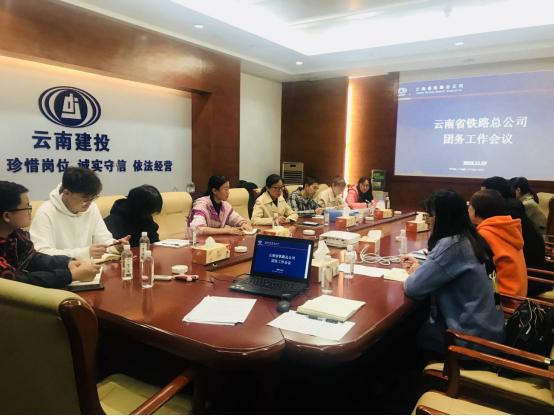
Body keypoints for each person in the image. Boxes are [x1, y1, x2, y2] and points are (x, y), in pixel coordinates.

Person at [401, 189, 505, 356]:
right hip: (490, 335)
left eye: (429, 216)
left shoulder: (452, 245)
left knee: (401, 338)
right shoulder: (473, 238)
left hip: (468, 343)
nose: (426, 221)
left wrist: (415, 272)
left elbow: (413, 287)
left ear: (444, 218)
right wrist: (423, 268)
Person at [0, 181, 100, 288]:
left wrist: (67, 263)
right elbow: (17, 281)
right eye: (27, 207)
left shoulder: (15, 234)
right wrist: (72, 275)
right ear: (7, 216)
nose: (30, 211)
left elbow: (33, 259)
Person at [30, 167, 130, 260]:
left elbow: (103, 238)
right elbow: (41, 253)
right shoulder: (46, 212)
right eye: (84, 198)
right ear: (66, 193)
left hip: (92, 266)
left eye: (92, 198)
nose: (89, 203)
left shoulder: (92, 208)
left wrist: (115, 246)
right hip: (62, 270)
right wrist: (83, 253)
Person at [469, 189, 527, 303]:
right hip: (518, 297)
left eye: (470, 206)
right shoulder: (505, 228)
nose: (468, 210)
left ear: (478, 209)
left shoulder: (484, 235)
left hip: (502, 301)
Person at [481, 176, 548, 271]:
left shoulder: (507, 215)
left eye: (482, 195)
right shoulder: (511, 207)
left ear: (494, 195)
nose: (479, 198)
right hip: (525, 267)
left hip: (530, 272)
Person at [187, 175, 253, 236]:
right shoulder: (201, 205)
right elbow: (198, 229)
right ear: (214, 191)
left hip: (214, 241)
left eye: (228, 189)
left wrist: (243, 224)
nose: (228, 192)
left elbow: (235, 218)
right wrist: (227, 231)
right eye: (225, 189)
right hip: (195, 242)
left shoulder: (225, 206)